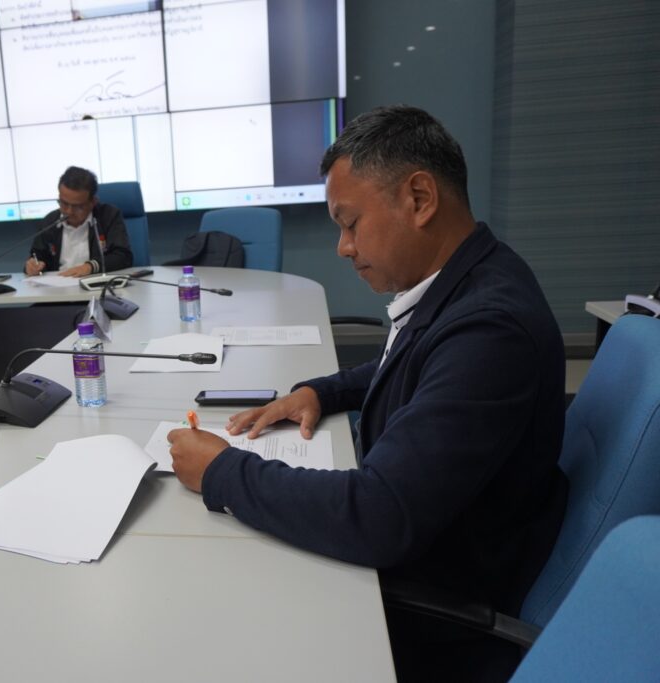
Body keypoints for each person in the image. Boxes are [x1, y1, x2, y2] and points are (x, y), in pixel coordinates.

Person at [167, 105, 568, 681]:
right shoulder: (471, 279)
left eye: (350, 223)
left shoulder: (489, 331)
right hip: (426, 552)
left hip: (427, 610)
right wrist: (321, 392)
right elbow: (407, 363)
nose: (343, 247)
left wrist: (223, 472)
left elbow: (379, 517)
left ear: (420, 199)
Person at [24, 166, 132, 277]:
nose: (69, 211)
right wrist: (32, 266)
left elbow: (123, 256)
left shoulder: (108, 216)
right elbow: (37, 257)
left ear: (93, 202)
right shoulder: (50, 222)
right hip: (59, 283)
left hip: (95, 282)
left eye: (77, 207)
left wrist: (90, 267)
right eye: (64, 203)